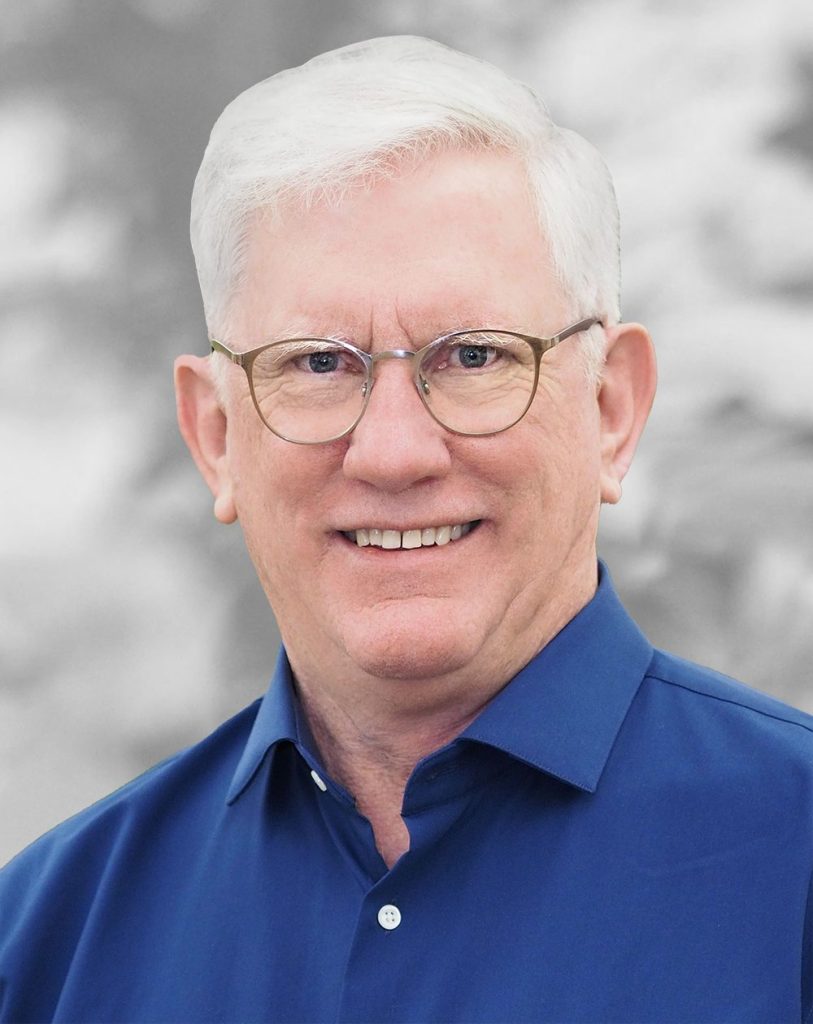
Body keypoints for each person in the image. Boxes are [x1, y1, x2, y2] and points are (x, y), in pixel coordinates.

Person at [1, 34, 811, 1024]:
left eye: (474, 355)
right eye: (317, 364)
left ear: (611, 410)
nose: (392, 451)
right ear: (216, 436)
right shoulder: (43, 940)